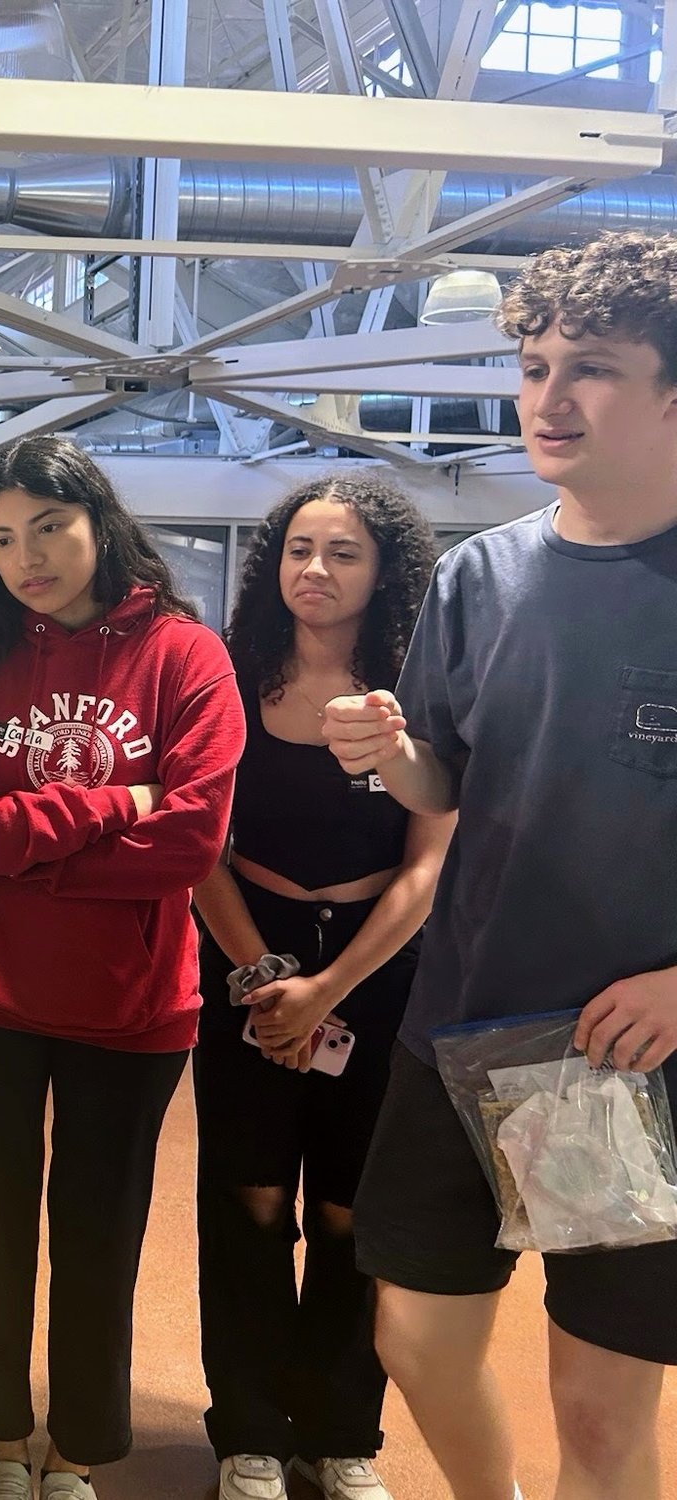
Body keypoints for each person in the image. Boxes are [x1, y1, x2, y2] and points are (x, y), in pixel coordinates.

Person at [325, 231, 677, 1500]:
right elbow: (443, 789)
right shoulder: (484, 576)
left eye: (588, 367)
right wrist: (388, 752)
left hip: (629, 1058)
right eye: (530, 366)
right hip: (460, 1034)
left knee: (595, 1408)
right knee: (411, 1337)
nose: (545, 398)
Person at [0, 436, 243, 1500]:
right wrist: (107, 807)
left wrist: (22, 854)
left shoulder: (184, 656)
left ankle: (80, 1449)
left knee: (101, 1231)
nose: (25, 557)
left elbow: (188, 843)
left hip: (130, 1008)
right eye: (0, 538)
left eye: (46, 527)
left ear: (96, 520)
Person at [192, 476, 450, 1500]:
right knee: (249, 1197)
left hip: (380, 967)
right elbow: (199, 847)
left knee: (350, 1212)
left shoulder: (417, 692)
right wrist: (266, 982)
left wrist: (330, 988)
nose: (315, 570)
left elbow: (426, 868)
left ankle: (340, 1431)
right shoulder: (227, 675)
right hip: (247, 951)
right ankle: (246, 1431)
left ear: (382, 570)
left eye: (341, 553)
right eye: (299, 549)